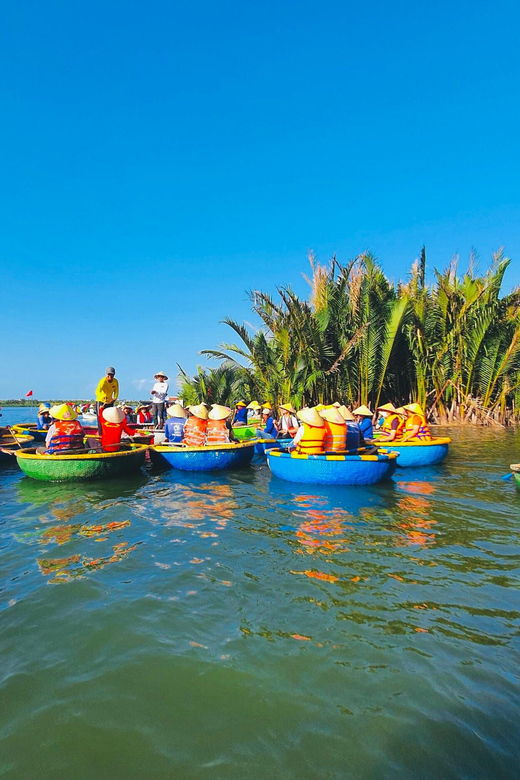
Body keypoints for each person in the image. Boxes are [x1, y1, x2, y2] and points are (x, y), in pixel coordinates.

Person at [95, 366, 119, 434]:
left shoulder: (115, 381)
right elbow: (97, 391)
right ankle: (100, 434)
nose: (110, 376)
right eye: (109, 375)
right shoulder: (102, 381)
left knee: (110, 417)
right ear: (106, 375)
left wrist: (114, 398)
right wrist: (102, 399)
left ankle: (109, 432)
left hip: (110, 401)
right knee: (100, 418)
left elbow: (116, 391)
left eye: (112, 375)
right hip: (101, 401)